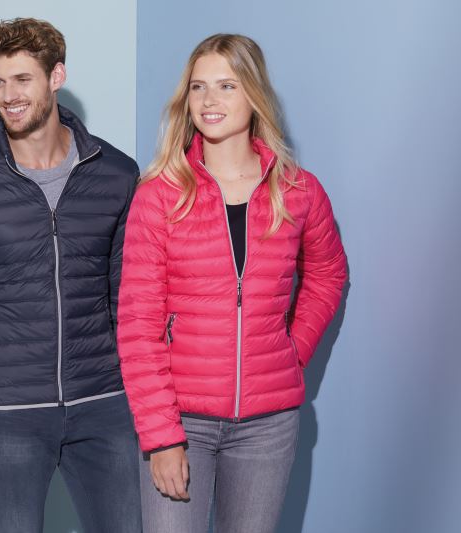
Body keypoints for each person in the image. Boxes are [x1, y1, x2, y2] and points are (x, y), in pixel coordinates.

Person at [0, 17, 141, 533]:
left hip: (104, 403)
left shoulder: (116, 174)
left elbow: (132, 299)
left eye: (22, 79)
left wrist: (146, 402)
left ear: (56, 76)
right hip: (7, 411)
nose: (8, 96)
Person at [117, 34, 347, 533]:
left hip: (268, 427)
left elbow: (328, 273)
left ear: (254, 94)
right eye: (198, 86)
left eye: (227, 85)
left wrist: (290, 351)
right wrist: (161, 437)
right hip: (181, 421)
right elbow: (138, 324)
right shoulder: (159, 196)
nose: (209, 100)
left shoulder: (298, 190)